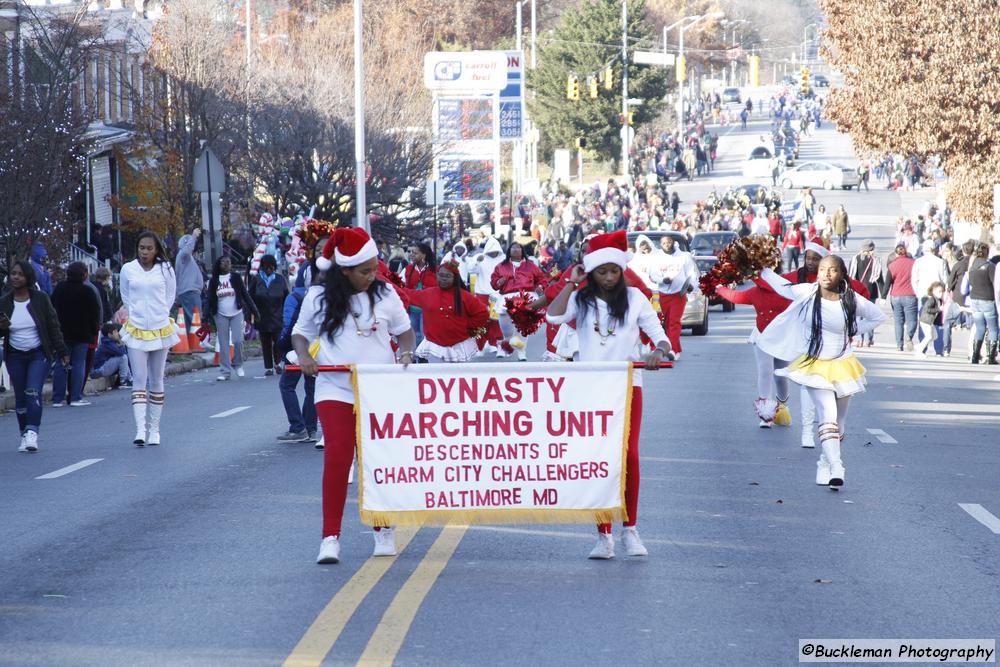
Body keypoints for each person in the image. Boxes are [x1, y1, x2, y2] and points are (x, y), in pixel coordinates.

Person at [292, 227, 415, 564]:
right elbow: (300, 335)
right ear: (344, 270)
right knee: (337, 455)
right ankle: (330, 538)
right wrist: (305, 357)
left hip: (379, 390)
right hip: (335, 387)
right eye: (364, 271)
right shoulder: (317, 297)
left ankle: (383, 529)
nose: (372, 276)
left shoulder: (386, 293)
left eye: (374, 269)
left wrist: (405, 353)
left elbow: (406, 334)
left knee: (377, 459)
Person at [546, 230, 671, 559]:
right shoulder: (581, 299)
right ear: (592, 273)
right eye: (602, 272)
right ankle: (603, 535)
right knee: (600, 459)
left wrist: (658, 351)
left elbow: (660, 337)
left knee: (628, 457)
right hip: (591, 389)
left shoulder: (636, 299)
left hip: (628, 386)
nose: (610, 277)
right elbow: (553, 315)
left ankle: (630, 529)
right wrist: (572, 283)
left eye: (614, 270)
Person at [756, 256, 886, 488]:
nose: (825, 274)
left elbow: (878, 316)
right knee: (827, 413)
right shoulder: (807, 292)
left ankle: (824, 463)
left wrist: (854, 330)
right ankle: (837, 466)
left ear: (841, 274)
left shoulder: (851, 299)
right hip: (815, 365)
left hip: (843, 364)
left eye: (832, 270)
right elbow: (780, 286)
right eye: (822, 269)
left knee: (840, 422)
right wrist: (761, 267)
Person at [118, 231, 181, 446]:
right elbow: (125, 296)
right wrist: (134, 314)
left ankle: (155, 429)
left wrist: (160, 315)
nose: (145, 252)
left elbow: (170, 296)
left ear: (156, 250)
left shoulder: (165, 269)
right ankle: (140, 430)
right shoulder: (128, 269)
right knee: (138, 378)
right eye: (141, 248)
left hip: (160, 328)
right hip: (136, 329)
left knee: (157, 378)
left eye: (149, 248)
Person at [0, 260, 67, 452]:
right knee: (20, 397)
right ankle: (23, 434)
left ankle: (32, 431)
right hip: (15, 355)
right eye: (13, 273)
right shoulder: (4, 301)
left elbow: (53, 326)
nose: (16, 277)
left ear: (28, 277)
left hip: (39, 353)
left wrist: (61, 351)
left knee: (32, 391)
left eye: (20, 274)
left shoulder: (40, 299)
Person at [715, 276, 794, 430]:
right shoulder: (755, 292)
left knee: (781, 374)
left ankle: (782, 406)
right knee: (765, 370)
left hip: (783, 337)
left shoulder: (788, 289)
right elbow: (736, 297)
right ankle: (766, 414)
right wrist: (718, 287)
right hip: (762, 335)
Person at [402, 261, 489, 363]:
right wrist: (386, 282)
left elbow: (483, 313)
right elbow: (406, 293)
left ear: (455, 278)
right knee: (436, 376)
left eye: (448, 276)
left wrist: (468, 327)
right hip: (435, 347)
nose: (443, 278)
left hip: (460, 346)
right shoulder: (428, 294)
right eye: (441, 275)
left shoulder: (465, 296)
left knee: (459, 377)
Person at [50, 262, 102, 407]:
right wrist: (93, 331)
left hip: (62, 332)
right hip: (82, 333)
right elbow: (94, 314)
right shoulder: (87, 291)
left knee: (61, 364)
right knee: (79, 364)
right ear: (84, 274)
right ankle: (75, 396)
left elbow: (51, 307)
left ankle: (57, 398)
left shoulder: (60, 288)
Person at [490, 241, 547, 360]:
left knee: (524, 326)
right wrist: (498, 282)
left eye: (518, 248)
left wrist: (540, 287)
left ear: (522, 251)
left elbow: (542, 279)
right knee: (506, 330)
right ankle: (505, 343)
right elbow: (494, 283)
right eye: (513, 248)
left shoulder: (531, 266)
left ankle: (522, 352)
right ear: (509, 251)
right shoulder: (501, 266)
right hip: (507, 297)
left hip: (526, 296)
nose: (516, 250)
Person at [206, 256, 259, 382]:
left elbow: (245, 295)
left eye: (228, 262)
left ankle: (238, 364)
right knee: (223, 344)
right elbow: (209, 299)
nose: (226, 264)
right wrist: (205, 316)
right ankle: (225, 372)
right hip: (220, 314)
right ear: (219, 265)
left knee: (238, 340)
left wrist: (254, 310)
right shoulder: (214, 281)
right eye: (223, 262)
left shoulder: (235, 278)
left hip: (237, 312)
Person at [649, 234, 698, 359]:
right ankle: (674, 347)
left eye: (669, 242)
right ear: (661, 244)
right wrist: (662, 280)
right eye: (664, 243)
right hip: (662, 293)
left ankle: (673, 350)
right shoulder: (657, 257)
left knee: (674, 322)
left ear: (673, 242)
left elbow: (692, 273)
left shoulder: (683, 257)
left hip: (678, 294)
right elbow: (653, 275)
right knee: (664, 322)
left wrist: (691, 285)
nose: (667, 245)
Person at [250, 254, 289, 376]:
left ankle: (277, 363)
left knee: (278, 342)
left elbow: (286, 297)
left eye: (271, 267)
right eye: (266, 267)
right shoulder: (256, 279)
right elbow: (249, 297)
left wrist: (286, 313)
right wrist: (251, 314)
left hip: (278, 316)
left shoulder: (280, 279)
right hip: (262, 316)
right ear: (262, 267)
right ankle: (268, 367)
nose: (269, 270)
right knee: (265, 342)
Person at [964, 242, 999, 364]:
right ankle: (990, 357)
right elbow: (995, 284)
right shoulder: (989, 266)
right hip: (987, 299)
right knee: (993, 328)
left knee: (980, 328)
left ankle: (974, 355)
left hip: (974, 299)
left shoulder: (972, 267)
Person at [847, 241, 887, 346]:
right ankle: (869, 340)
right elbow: (879, 279)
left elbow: (850, 276)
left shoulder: (855, 259)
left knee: (858, 315)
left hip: (857, 290)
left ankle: (859, 339)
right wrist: (883, 295)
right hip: (871, 291)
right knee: (870, 316)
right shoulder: (875, 261)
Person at [403, 243, 437, 346]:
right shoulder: (408, 269)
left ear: (424, 255)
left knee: (425, 335)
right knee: (415, 334)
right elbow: (403, 287)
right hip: (413, 309)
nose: (411, 255)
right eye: (410, 252)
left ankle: (424, 357)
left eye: (415, 253)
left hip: (429, 308)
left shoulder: (435, 269)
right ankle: (416, 357)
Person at [885, 244, 918, 351]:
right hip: (910, 295)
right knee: (911, 320)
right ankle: (909, 335)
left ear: (896, 253)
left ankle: (899, 345)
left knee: (898, 321)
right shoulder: (914, 263)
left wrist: (883, 296)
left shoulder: (892, 266)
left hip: (896, 295)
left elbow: (887, 282)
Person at [174, 228, 204, 332]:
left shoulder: (183, 257)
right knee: (196, 316)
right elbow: (187, 250)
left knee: (189, 319)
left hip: (186, 291)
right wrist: (194, 236)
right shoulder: (184, 255)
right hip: (190, 291)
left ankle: (189, 342)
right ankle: (201, 340)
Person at [91, 322, 132, 387]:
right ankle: (123, 381)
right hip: (98, 370)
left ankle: (129, 379)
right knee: (123, 357)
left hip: (103, 368)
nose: (118, 334)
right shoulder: (107, 343)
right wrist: (121, 342)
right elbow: (121, 353)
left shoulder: (110, 342)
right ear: (110, 335)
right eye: (115, 332)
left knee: (124, 357)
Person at [913, 282, 944, 358]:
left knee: (934, 336)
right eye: (939, 292)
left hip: (930, 322)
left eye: (942, 292)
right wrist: (938, 309)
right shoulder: (932, 299)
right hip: (926, 320)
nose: (941, 293)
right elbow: (927, 309)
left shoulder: (938, 300)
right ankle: (919, 351)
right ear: (933, 292)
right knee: (929, 337)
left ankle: (919, 346)